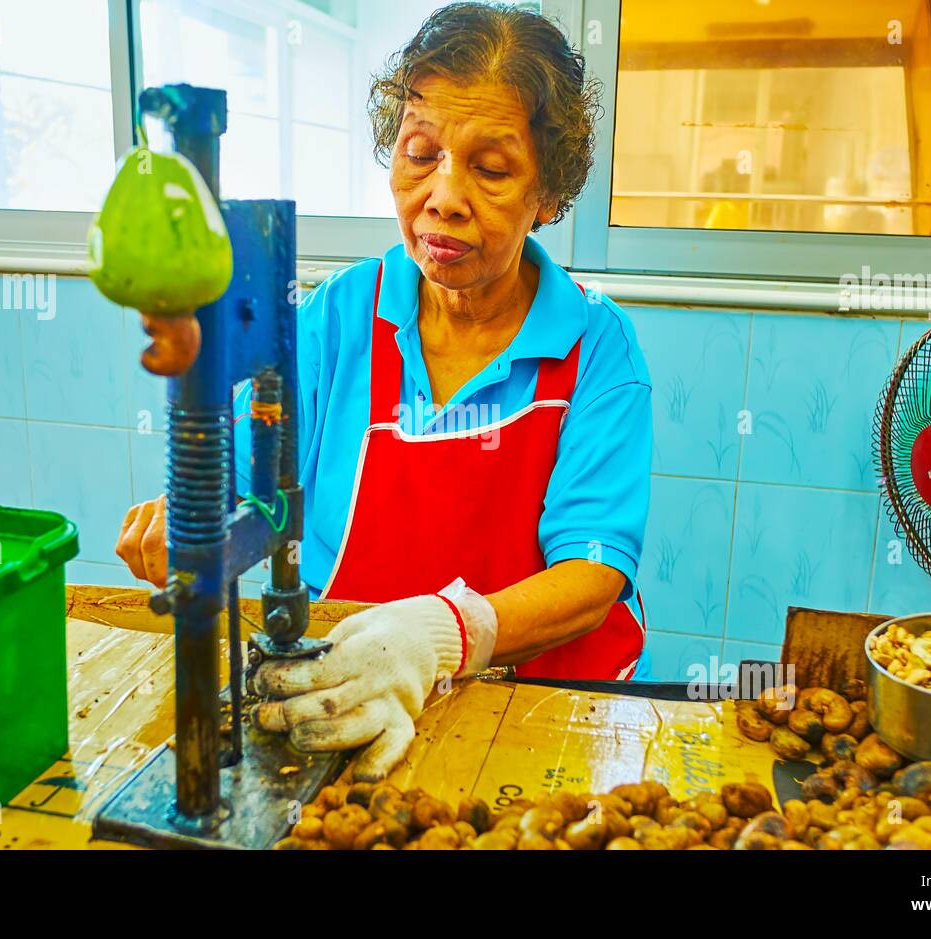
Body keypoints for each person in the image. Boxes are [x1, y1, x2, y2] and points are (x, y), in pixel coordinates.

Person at [117, 2, 652, 780]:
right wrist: (188, 525)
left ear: (550, 193)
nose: (444, 195)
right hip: (348, 700)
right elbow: (244, 488)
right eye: (421, 153)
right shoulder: (337, 318)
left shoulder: (595, 346)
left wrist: (444, 632)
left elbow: (593, 576)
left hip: (539, 710)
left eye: (492, 169)